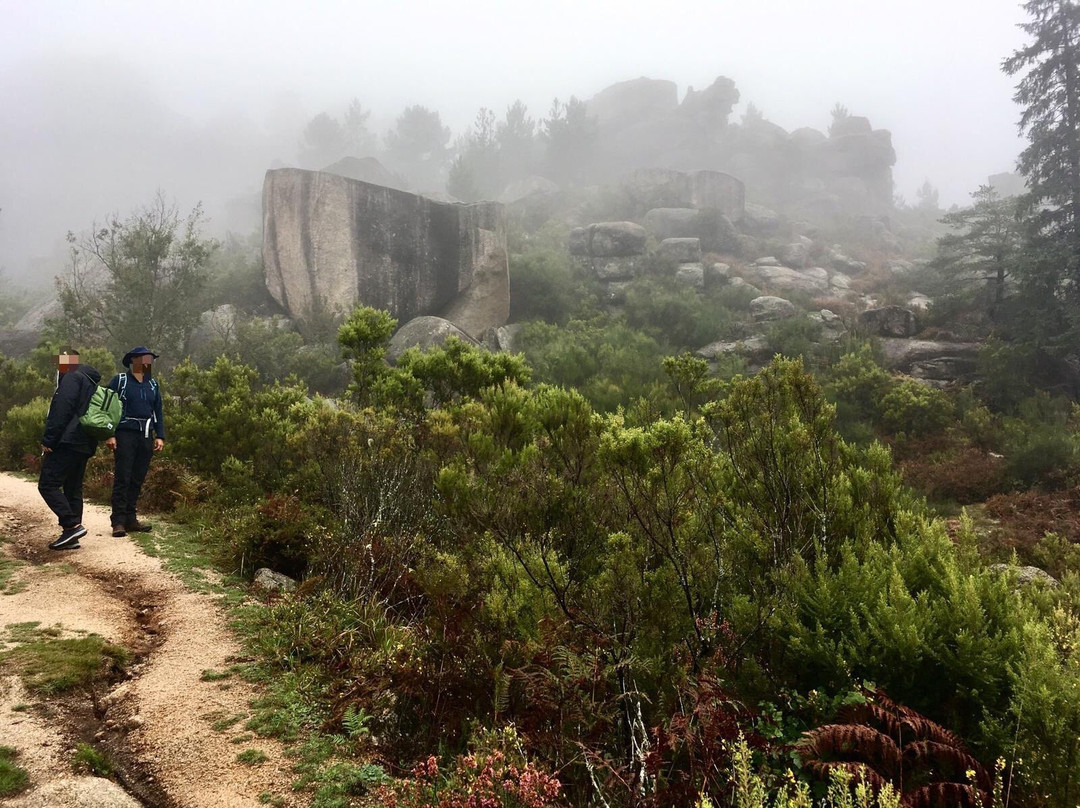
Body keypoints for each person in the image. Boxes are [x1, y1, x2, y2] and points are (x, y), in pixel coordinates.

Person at [38, 348, 102, 551]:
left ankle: (71, 525)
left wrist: (49, 440)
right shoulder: (89, 381)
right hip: (85, 442)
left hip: (67, 441)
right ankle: (71, 536)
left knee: (48, 484)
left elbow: (61, 409)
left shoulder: (71, 377)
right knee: (73, 488)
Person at [105, 347, 165, 537]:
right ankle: (118, 522)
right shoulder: (120, 381)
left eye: (151, 358)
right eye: (146, 358)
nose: (150, 361)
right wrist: (109, 433)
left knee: (137, 478)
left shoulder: (153, 385)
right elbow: (106, 407)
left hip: (146, 436)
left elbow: (158, 411)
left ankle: (131, 519)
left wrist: (160, 435)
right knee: (123, 476)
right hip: (124, 435)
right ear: (134, 360)